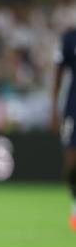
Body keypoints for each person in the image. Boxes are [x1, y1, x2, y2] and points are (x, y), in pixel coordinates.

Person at [52, 27, 76, 231]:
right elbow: (58, 73)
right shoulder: (69, 38)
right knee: (71, 157)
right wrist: (54, 108)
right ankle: (75, 204)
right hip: (73, 106)